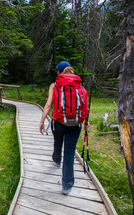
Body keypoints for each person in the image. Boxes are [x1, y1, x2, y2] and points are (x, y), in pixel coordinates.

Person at [39, 61, 89, 195]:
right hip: (76, 124)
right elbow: (84, 106)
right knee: (69, 153)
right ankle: (66, 186)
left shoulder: (54, 85)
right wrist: (86, 122)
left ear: (59, 72)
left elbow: (49, 104)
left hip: (59, 122)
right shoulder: (79, 85)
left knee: (57, 142)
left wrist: (42, 121)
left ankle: (56, 159)